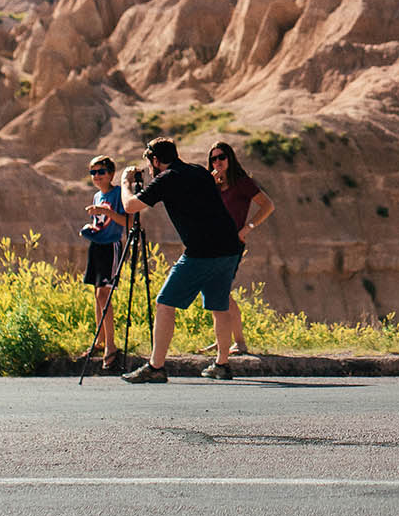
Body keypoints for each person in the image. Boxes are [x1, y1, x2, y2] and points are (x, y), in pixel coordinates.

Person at [107, 139, 243, 383]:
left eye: (150, 163)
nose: (149, 168)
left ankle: (156, 366)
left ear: (156, 161)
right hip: (229, 247)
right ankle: (222, 365)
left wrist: (126, 183)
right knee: (219, 306)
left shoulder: (166, 179)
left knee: (164, 303)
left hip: (201, 251)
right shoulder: (199, 171)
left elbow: (130, 206)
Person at [208, 141, 274, 357]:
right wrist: (209, 185)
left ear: (230, 158)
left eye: (221, 157)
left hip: (231, 245)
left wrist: (248, 228)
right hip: (211, 243)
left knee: (221, 292)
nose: (217, 162)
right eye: (214, 159)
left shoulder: (242, 182)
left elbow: (268, 205)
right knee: (217, 292)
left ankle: (237, 342)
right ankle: (224, 339)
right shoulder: (214, 183)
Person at [79, 156, 126, 373]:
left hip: (111, 246)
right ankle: (100, 340)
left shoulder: (118, 194)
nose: (97, 176)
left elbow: (129, 222)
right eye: (93, 172)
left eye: (101, 171)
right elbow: (102, 222)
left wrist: (105, 213)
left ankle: (111, 346)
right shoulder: (97, 195)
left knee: (103, 295)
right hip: (97, 245)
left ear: (111, 173)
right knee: (97, 296)